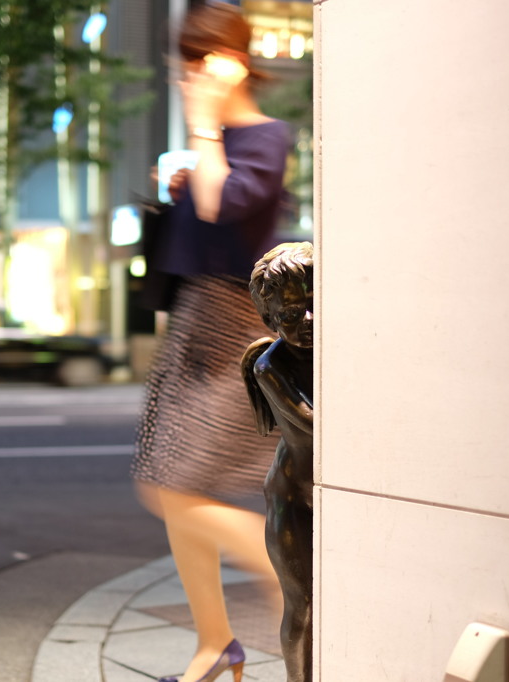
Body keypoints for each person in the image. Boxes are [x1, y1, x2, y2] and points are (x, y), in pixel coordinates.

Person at [130, 4, 293, 682]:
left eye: (200, 59)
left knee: (176, 491)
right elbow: (195, 211)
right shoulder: (219, 141)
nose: (188, 73)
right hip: (192, 326)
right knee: (166, 484)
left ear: (234, 61)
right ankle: (214, 644)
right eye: (185, 60)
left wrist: (203, 123)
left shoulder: (266, 137)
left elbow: (220, 206)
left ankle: (290, 572)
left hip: (232, 332)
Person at [242, 242, 315, 682]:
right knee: (302, 603)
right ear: (270, 320)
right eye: (289, 316)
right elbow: (317, 426)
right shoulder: (271, 367)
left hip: (326, 493)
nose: (306, 322)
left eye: (312, 307)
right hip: (294, 499)